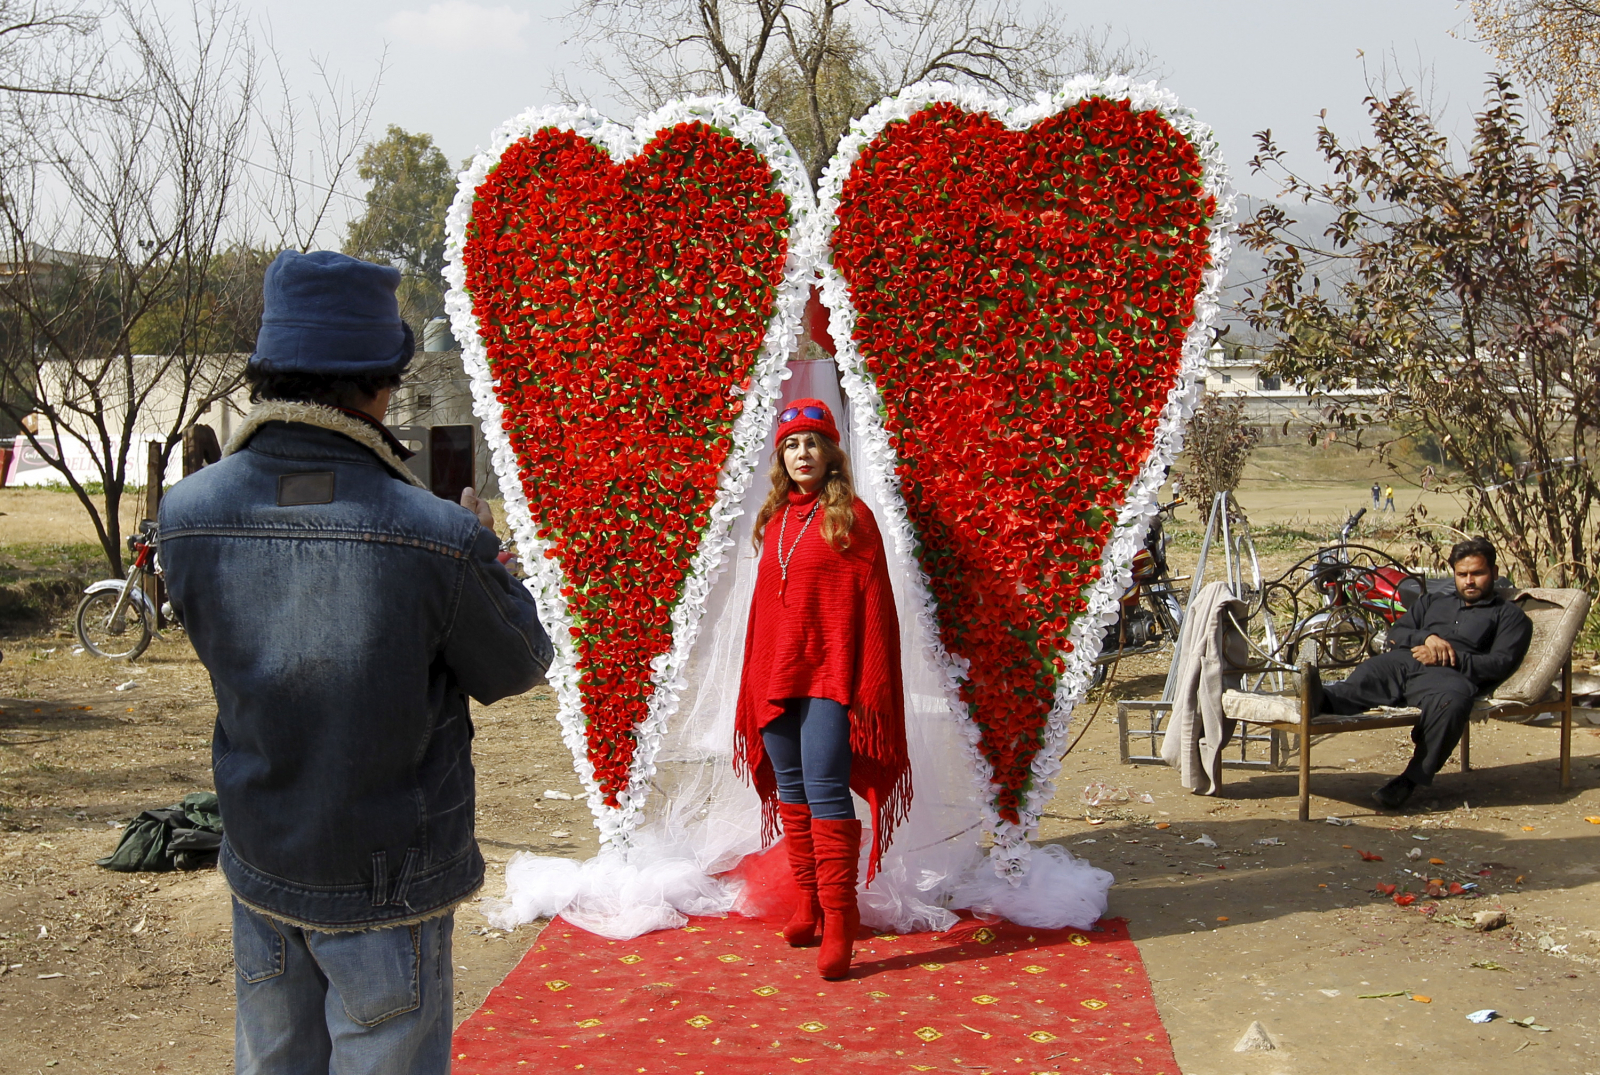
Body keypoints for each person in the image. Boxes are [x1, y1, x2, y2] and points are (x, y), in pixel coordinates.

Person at [159, 250, 553, 1074]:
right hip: (390, 878)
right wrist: (482, 551)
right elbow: (518, 661)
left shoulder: (187, 515)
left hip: (263, 854)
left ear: (267, 372)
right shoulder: (433, 534)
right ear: (380, 382)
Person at [735, 398, 909, 981]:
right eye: (790, 444)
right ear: (780, 457)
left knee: (827, 790)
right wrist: (759, 674)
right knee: (792, 791)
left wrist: (863, 684)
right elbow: (767, 612)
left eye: (812, 442)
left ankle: (840, 919)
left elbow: (873, 610)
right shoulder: (776, 519)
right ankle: (807, 902)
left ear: (831, 452)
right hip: (778, 676)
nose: (801, 453)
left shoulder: (853, 519)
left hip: (833, 679)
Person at [1307, 536, 1531, 809]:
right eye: (1462, 574)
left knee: (1453, 703)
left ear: (1494, 573)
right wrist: (1426, 638)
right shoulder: (1433, 602)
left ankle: (1409, 781)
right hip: (1403, 663)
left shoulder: (1509, 616)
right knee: (1368, 674)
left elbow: (1501, 662)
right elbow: (1397, 633)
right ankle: (1316, 697)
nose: (1469, 581)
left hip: (1450, 677)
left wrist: (1451, 657)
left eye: (1477, 573)